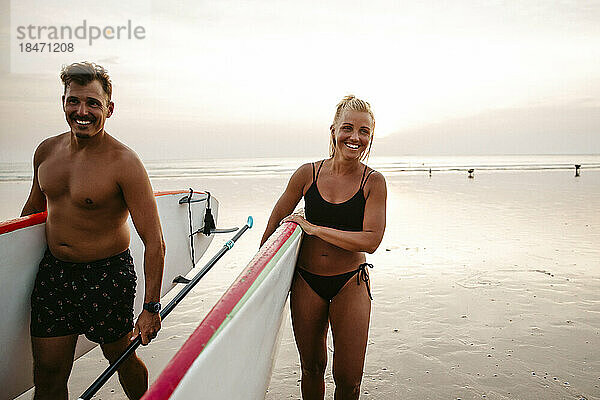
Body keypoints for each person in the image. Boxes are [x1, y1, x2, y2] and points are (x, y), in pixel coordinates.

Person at [21, 62, 166, 400]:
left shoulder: (124, 163)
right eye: (74, 101)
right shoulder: (46, 152)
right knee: (48, 374)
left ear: (109, 108)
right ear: (64, 103)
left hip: (107, 275)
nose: (82, 111)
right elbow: (31, 214)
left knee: (120, 360)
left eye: (93, 103)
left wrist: (151, 308)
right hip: (55, 274)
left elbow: (155, 241)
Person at [261, 95, 387, 399]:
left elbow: (371, 240)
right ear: (333, 130)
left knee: (348, 379)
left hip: (350, 283)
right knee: (312, 368)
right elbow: (274, 224)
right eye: (348, 128)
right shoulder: (308, 174)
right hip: (307, 281)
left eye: (364, 131)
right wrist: (260, 276)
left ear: (370, 136)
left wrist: (315, 229)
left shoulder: (373, 182)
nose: (355, 137)